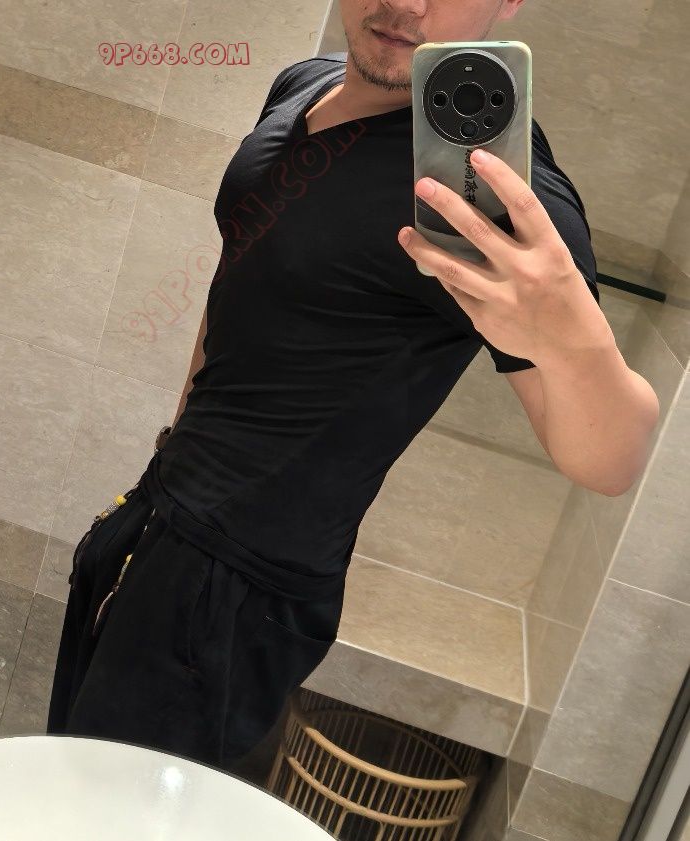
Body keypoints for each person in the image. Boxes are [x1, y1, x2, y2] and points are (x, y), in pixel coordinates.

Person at [47, 0, 658, 773]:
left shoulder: (492, 189)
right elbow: (241, 275)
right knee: (68, 784)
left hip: (233, 596)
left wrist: (575, 336)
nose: (406, 2)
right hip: (159, 513)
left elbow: (612, 460)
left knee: (111, 811)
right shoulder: (303, 83)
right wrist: (172, 452)